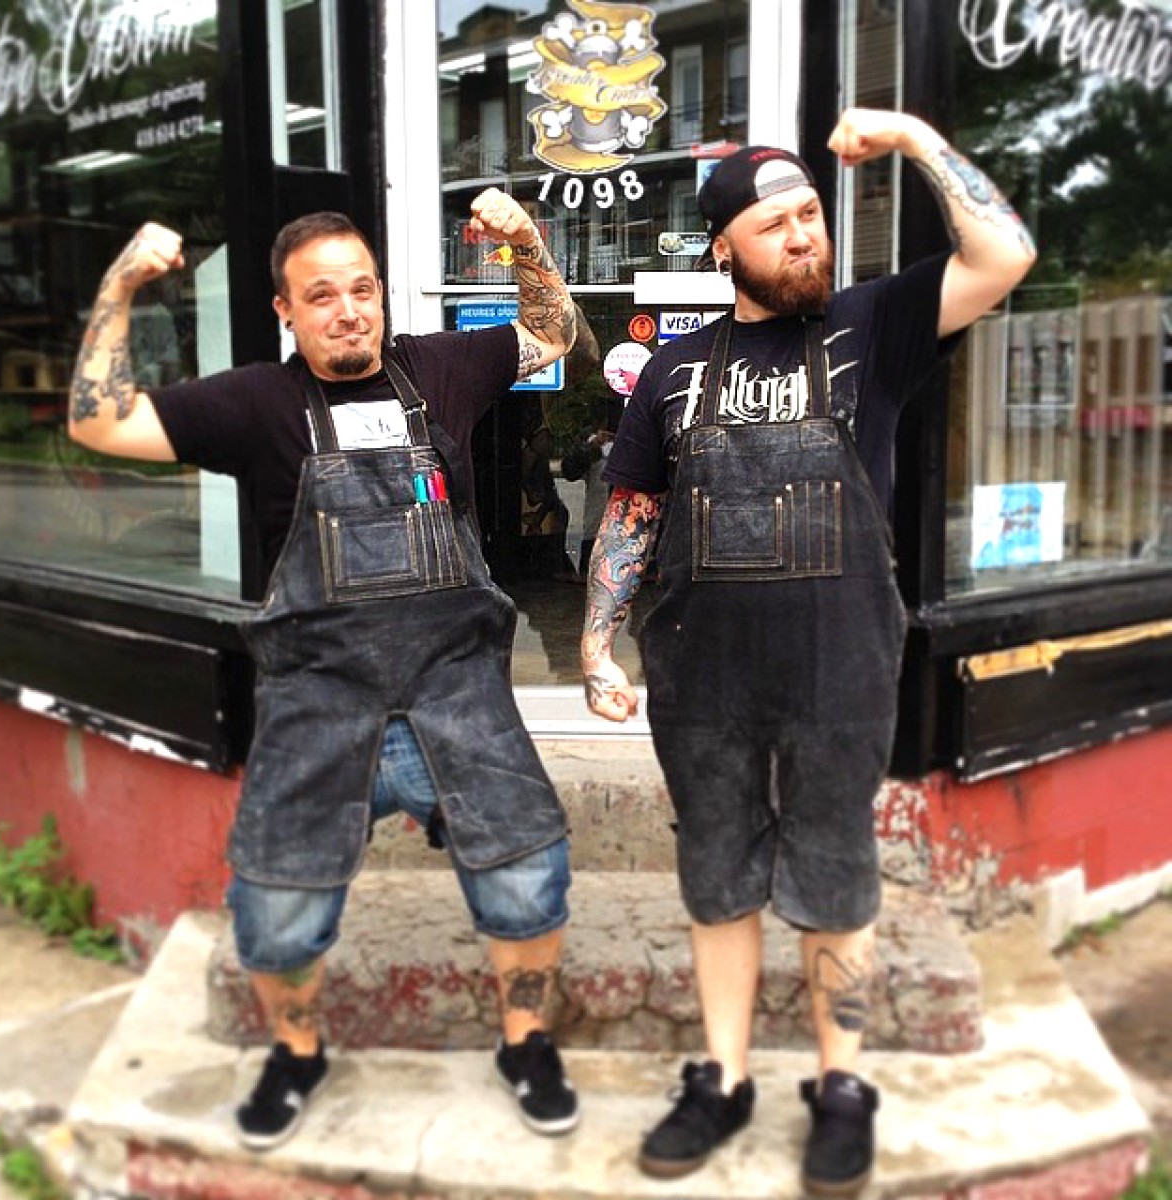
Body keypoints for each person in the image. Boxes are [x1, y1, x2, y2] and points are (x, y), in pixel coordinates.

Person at [580, 107, 1035, 1195]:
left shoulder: (874, 326)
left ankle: (840, 1086)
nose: (803, 237)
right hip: (703, 678)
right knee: (717, 875)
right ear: (721, 250)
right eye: (775, 224)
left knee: (834, 873)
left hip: (841, 669)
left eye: (811, 217)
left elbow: (1005, 254)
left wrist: (914, 138)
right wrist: (596, 642)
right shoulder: (673, 374)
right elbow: (634, 512)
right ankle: (725, 1077)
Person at [68, 190, 582, 1151]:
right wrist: (122, 285)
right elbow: (103, 424)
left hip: (456, 694)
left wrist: (524, 243)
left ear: (380, 293)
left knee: (527, 873)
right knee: (274, 908)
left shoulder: (440, 368)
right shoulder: (254, 404)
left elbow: (552, 336)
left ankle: (526, 1043)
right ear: (285, 311)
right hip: (317, 705)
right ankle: (297, 1053)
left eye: (362, 290)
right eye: (322, 296)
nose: (348, 312)